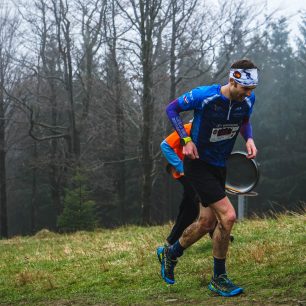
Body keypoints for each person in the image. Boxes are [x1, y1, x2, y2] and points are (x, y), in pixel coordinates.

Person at [157, 59, 258, 297]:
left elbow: (244, 120)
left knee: (206, 224)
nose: (249, 94)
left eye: (252, 89)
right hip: (198, 165)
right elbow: (172, 109)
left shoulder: (247, 100)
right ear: (233, 81)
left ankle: (170, 254)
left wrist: (250, 138)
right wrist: (186, 140)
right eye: (245, 88)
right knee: (228, 217)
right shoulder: (205, 96)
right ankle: (219, 278)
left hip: (219, 165)